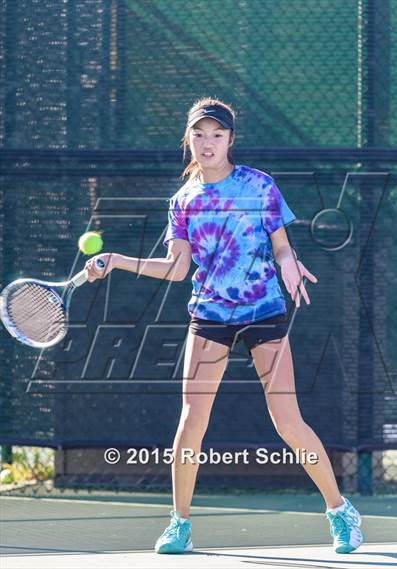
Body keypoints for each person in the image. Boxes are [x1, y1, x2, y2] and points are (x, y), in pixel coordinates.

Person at [84, 97, 363, 556]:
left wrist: (290, 264)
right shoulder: (183, 201)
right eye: (199, 134)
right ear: (188, 140)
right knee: (191, 421)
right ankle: (179, 524)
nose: (207, 142)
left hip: (263, 311)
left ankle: (339, 511)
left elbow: (282, 248)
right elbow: (176, 269)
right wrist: (116, 261)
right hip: (210, 315)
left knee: (287, 421)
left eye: (217, 134)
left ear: (231, 139)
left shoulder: (259, 186)